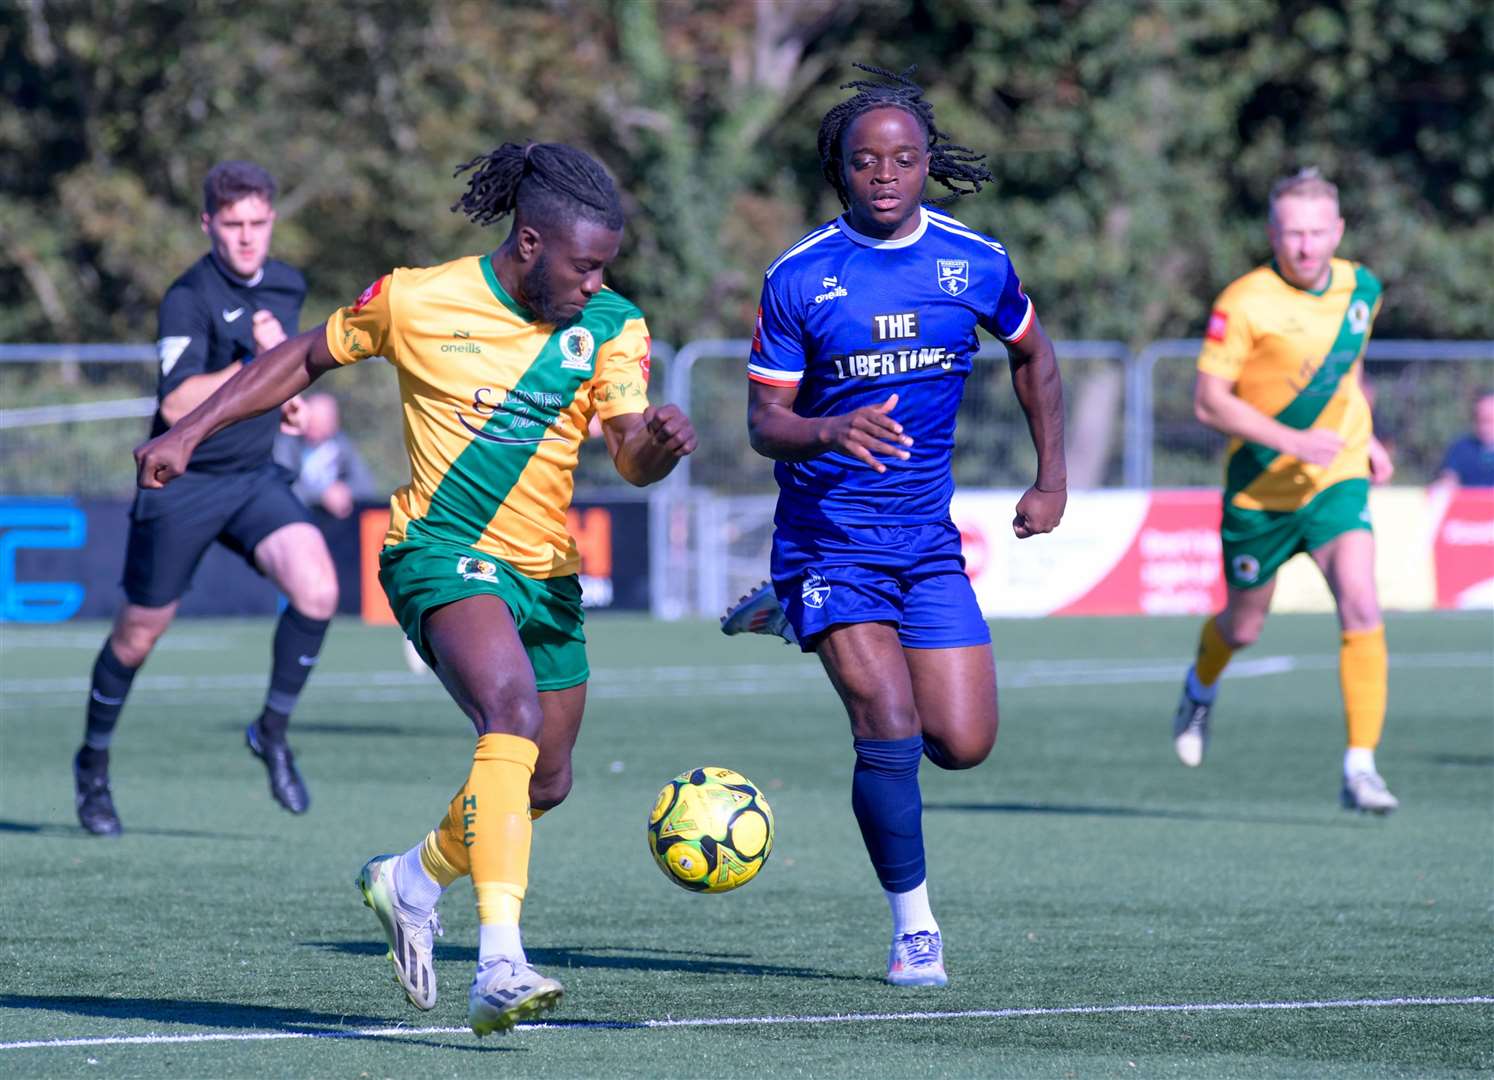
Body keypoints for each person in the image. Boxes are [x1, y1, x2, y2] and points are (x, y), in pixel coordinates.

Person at [133, 141, 696, 1035]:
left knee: (543, 782)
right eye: (583, 266)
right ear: (530, 243)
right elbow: (301, 360)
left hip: (544, 575)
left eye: (604, 269)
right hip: (438, 551)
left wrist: (656, 447)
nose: (595, 283)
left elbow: (628, 453)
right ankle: (500, 964)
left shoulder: (614, 324)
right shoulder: (417, 297)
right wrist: (191, 430)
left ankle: (412, 878)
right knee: (507, 715)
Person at [721, 65, 1067, 987]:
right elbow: (763, 424)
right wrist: (828, 426)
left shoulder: (974, 262)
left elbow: (1034, 355)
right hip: (829, 539)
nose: (885, 174)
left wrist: (1052, 479)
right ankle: (915, 929)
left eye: (904, 159)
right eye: (866, 160)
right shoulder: (799, 278)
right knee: (889, 721)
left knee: (962, 743)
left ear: (925, 167)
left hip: (925, 544)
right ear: (842, 167)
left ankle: (787, 611)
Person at [73, 160, 338, 836]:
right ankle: (93, 766)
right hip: (181, 482)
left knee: (318, 590)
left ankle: (271, 732)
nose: (247, 238)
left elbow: (288, 379)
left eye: (257, 223)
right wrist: (257, 367)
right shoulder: (188, 295)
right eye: (233, 225)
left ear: (272, 220)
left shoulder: (287, 284)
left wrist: (292, 403)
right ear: (208, 225)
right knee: (137, 637)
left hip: (252, 479)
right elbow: (178, 401)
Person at [1170, 167, 1399, 813]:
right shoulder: (1242, 302)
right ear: (1273, 232)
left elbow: (1347, 367)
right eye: (1292, 233)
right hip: (1259, 494)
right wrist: (1292, 441)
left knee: (1361, 600)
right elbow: (1210, 403)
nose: (1305, 246)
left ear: (1339, 231)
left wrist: (1369, 436)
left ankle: (1361, 767)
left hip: (1337, 479)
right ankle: (1200, 688)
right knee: (1244, 626)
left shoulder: (1363, 288)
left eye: (1317, 233)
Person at [274, 392, 380, 518]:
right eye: (311, 423)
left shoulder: (341, 445)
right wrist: (322, 495)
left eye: (319, 425)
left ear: (333, 423)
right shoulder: (287, 443)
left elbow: (365, 484)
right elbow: (282, 484)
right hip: (297, 516)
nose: (313, 431)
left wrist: (345, 491)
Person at [1429, 390, 1494, 491]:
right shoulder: (1460, 449)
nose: (1485, 426)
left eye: (1489, 420)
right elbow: (1449, 479)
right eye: (1481, 419)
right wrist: (1444, 486)